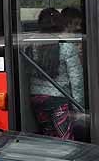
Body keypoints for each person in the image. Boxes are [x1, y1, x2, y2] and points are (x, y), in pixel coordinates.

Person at [28, 7, 85, 140]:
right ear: (61, 25)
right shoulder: (67, 47)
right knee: (66, 141)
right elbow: (76, 81)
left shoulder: (31, 46)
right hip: (59, 99)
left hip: (36, 98)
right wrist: (79, 107)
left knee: (48, 138)